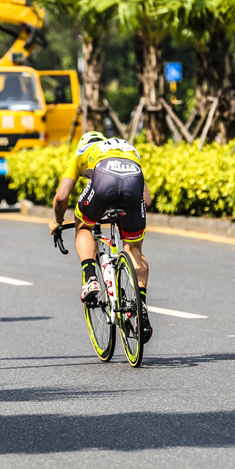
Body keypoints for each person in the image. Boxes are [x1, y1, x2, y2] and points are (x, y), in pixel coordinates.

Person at [49, 131, 153, 343]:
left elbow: (61, 197)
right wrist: (122, 212)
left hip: (104, 179)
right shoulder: (125, 147)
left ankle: (91, 278)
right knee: (134, 249)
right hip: (134, 180)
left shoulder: (81, 153)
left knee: (84, 226)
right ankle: (140, 306)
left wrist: (58, 221)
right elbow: (147, 200)